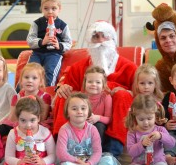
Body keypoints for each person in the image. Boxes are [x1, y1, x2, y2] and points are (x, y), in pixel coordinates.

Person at [53, 20, 137, 157]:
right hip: (82, 115)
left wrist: (127, 91)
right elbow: (66, 88)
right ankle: (62, 145)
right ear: (89, 41)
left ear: (113, 39)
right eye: (95, 37)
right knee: (64, 95)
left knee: (123, 96)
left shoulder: (129, 67)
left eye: (104, 36)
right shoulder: (78, 68)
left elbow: (142, 92)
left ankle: (112, 151)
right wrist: (62, 88)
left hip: (111, 116)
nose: (100, 41)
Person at [56, 92, 121, 165]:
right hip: (73, 163)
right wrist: (77, 161)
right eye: (74, 109)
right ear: (67, 113)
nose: (79, 112)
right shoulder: (64, 130)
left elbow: (97, 151)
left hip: (90, 163)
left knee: (108, 160)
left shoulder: (93, 129)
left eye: (83, 108)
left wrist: (89, 164)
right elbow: (61, 153)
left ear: (88, 111)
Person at [27, 0, 72, 87]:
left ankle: (47, 92)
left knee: (50, 71)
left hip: (54, 54)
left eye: (53, 8)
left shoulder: (63, 25)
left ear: (59, 9)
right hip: (37, 53)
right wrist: (41, 42)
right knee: (29, 71)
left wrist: (59, 45)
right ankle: (22, 93)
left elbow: (69, 43)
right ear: (42, 9)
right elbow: (30, 40)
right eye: (46, 8)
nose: (50, 12)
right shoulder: (36, 23)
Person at [0, 62, 52, 137]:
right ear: (21, 81)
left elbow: (42, 118)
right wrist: (19, 104)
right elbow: (12, 118)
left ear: (40, 82)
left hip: (36, 125)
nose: (30, 80)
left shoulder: (45, 97)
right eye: (26, 77)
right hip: (18, 123)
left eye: (34, 78)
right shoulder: (17, 97)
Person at [4, 95, 56, 165]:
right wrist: (19, 162)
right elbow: (8, 157)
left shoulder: (45, 133)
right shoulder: (13, 133)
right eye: (23, 120)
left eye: (32, 120)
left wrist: (43, 161)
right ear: (18, 119)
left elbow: (53, 155)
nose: (28, 125)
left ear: (38, 118)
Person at [125, 94, 175, 165]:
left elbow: (171, 144)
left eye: (149, 118)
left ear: (155, 115)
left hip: (158, 162)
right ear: (134, 117)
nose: (146, 123)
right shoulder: (132, 132)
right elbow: (131, 152)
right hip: (139, 163)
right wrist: (142, 144)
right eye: (141, 119)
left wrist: (161, 136)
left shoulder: (160, 129)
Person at [82, 65, 112, 144]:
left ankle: (97, 151)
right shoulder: (81, 97)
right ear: (85, 83)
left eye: (98, 82)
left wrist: (98, 118)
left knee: (99, 125)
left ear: (103, 85)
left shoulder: (106, 97)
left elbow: (109, 119)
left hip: (99, 128)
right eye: (90, 81)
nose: (93, 84)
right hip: (82, 125)